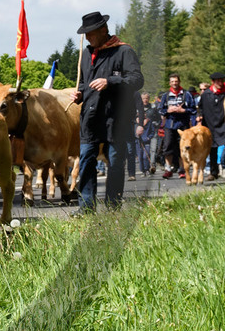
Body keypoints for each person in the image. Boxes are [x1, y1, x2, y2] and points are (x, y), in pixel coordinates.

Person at [71, 11, 144, 210]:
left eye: (91, 33)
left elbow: (137, 80)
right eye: (85, 34)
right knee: (86, 160)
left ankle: (113, 206)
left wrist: (110, 81)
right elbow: (85, 84)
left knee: (115, 163)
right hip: (91, 117)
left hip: (116, 118)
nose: (88, 37)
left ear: (103, 30)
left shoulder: (124, 51)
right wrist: (79, 95)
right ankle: (86, 207)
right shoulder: (86, 54)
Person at [156, 73, 195, 179]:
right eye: (172, 81)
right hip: (169, 125)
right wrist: (168, 110)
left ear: (179, 82)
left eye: (176, 81)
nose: (174, 83)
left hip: (183, 126)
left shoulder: (186, 94)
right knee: (167, 147)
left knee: (182, 148)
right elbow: (160, 109)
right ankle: (168, 169)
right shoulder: (166, 95)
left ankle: (182, 169)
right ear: (170, 83)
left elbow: (193, 109)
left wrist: (183, 110)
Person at [198, 71, 225, 181]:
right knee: (212, 149)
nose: (220, 83)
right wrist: (199, 117)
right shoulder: (206, 94)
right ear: (212, 82)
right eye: (217, 81)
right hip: (210, 125)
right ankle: (213, 173)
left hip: (224, 124)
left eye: (221, 80)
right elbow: (200, 108)